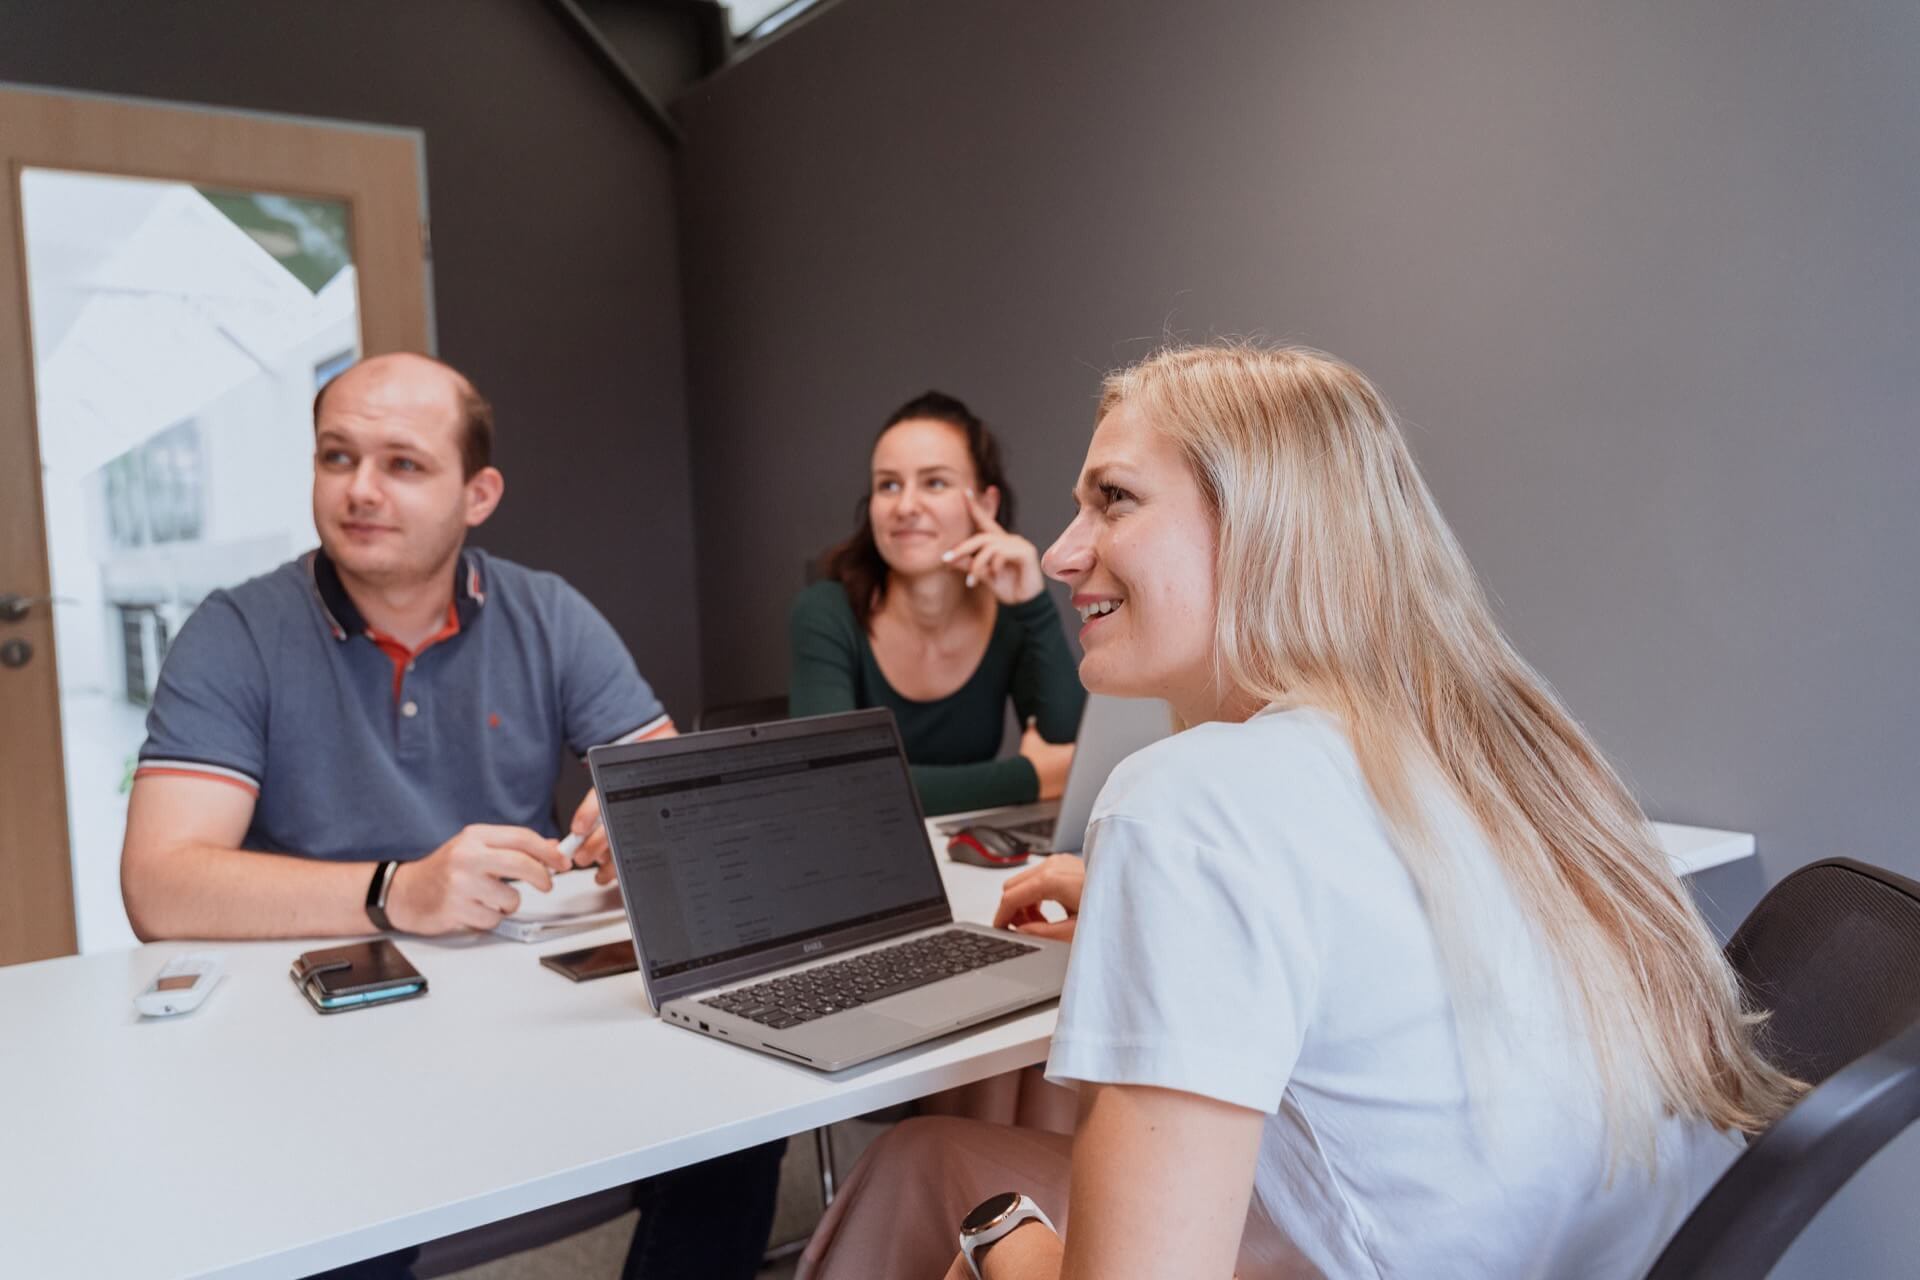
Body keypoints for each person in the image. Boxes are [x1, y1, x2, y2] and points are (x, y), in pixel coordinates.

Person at [796, 344, 1803, 1280]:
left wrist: (1002, 1233)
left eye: (1113, 500)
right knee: (941, 1149)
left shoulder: (1186, 805)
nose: (1063, 552)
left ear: (1261, 526)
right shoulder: (1498, 746)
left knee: (936, 1171)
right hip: (1540, 1251)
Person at [120, 352, 782, 1280]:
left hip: (510, 1007)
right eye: (337, 457)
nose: (360, 491)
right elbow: (161, 883)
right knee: (345, 1223)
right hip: (318, 1030)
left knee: (737, 1120)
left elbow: (671, 793)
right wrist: (400, 889)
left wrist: (640, 822)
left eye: (403, 464)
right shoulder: (236, 632)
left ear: (479, 494)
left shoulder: (546, 612)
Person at [789, 391, 1085, 817]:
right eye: (888, 485)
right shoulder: (824, 612)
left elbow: (1070, 750)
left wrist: (1033, 606)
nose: (906, 507)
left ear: (986, 504)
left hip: (967, 864)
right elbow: (834, 785)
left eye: (935, 482)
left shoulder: (1008, 616)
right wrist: (1029, 778)